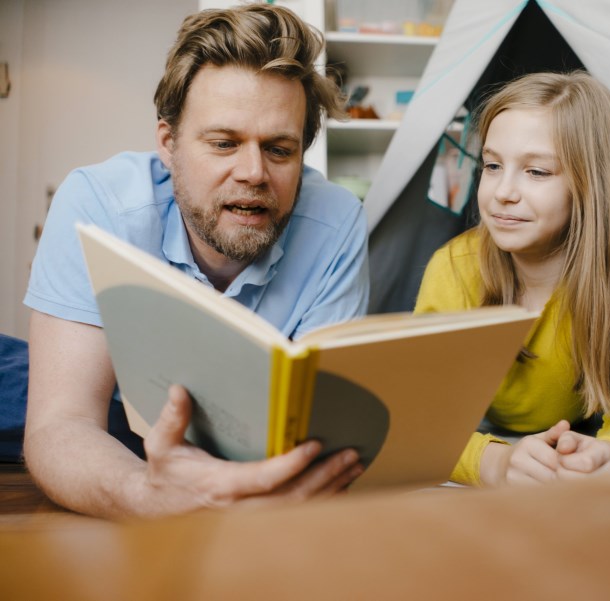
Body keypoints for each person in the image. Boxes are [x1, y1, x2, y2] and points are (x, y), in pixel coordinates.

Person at [23, 4, 369, 518]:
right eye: (224, 143)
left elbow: (319, 435)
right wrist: (144, 495)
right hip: (120, 425)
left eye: (279, 150)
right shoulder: (97, 204)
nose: (253, 173)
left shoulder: (338, 222)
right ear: (169, 143)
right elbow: (60, 423)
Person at [415, 71, 610, 486]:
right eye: (493, 165)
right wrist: (494, 462)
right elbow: (419, 419)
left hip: (575, 430)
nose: (503, 191)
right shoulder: (453, 269)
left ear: (589, 185)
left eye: (536, 172)